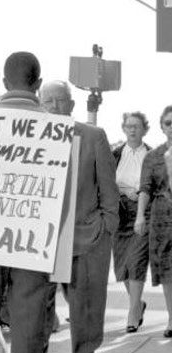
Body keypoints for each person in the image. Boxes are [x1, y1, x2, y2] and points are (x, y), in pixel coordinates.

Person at [0, 52, 55, 353]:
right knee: (29, 311)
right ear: (39, 84)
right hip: (34, 237)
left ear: (4, 82)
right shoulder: (55, 129)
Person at [39, 80, 119, 353]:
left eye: (59, 100)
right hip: (40, 242)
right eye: (47, 100)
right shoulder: (30, 139)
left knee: (85, 311)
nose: (53, 106)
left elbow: (110, 190)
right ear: (40, 104)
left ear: (71, 104)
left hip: (85, 238)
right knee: (37, 310)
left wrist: (105, 227)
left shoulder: (93, 136)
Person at [111, 112, 151, 333]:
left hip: (143, 213)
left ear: (144, 129)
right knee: (122, 266)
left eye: (136, 126)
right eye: (128, 126)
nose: (132, 130)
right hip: (120, 212)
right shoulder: (115, 154)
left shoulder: (152, 155)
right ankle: (139, 304)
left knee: (136, 261)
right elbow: (106, 182)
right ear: (123, 129)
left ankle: (133, 312)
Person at [134, 105, 172, 338]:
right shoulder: (153, 157)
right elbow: (145, 189)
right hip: (162, 219)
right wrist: (139, 216)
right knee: (167, 269)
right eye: (169, 123)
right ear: (162, 127)